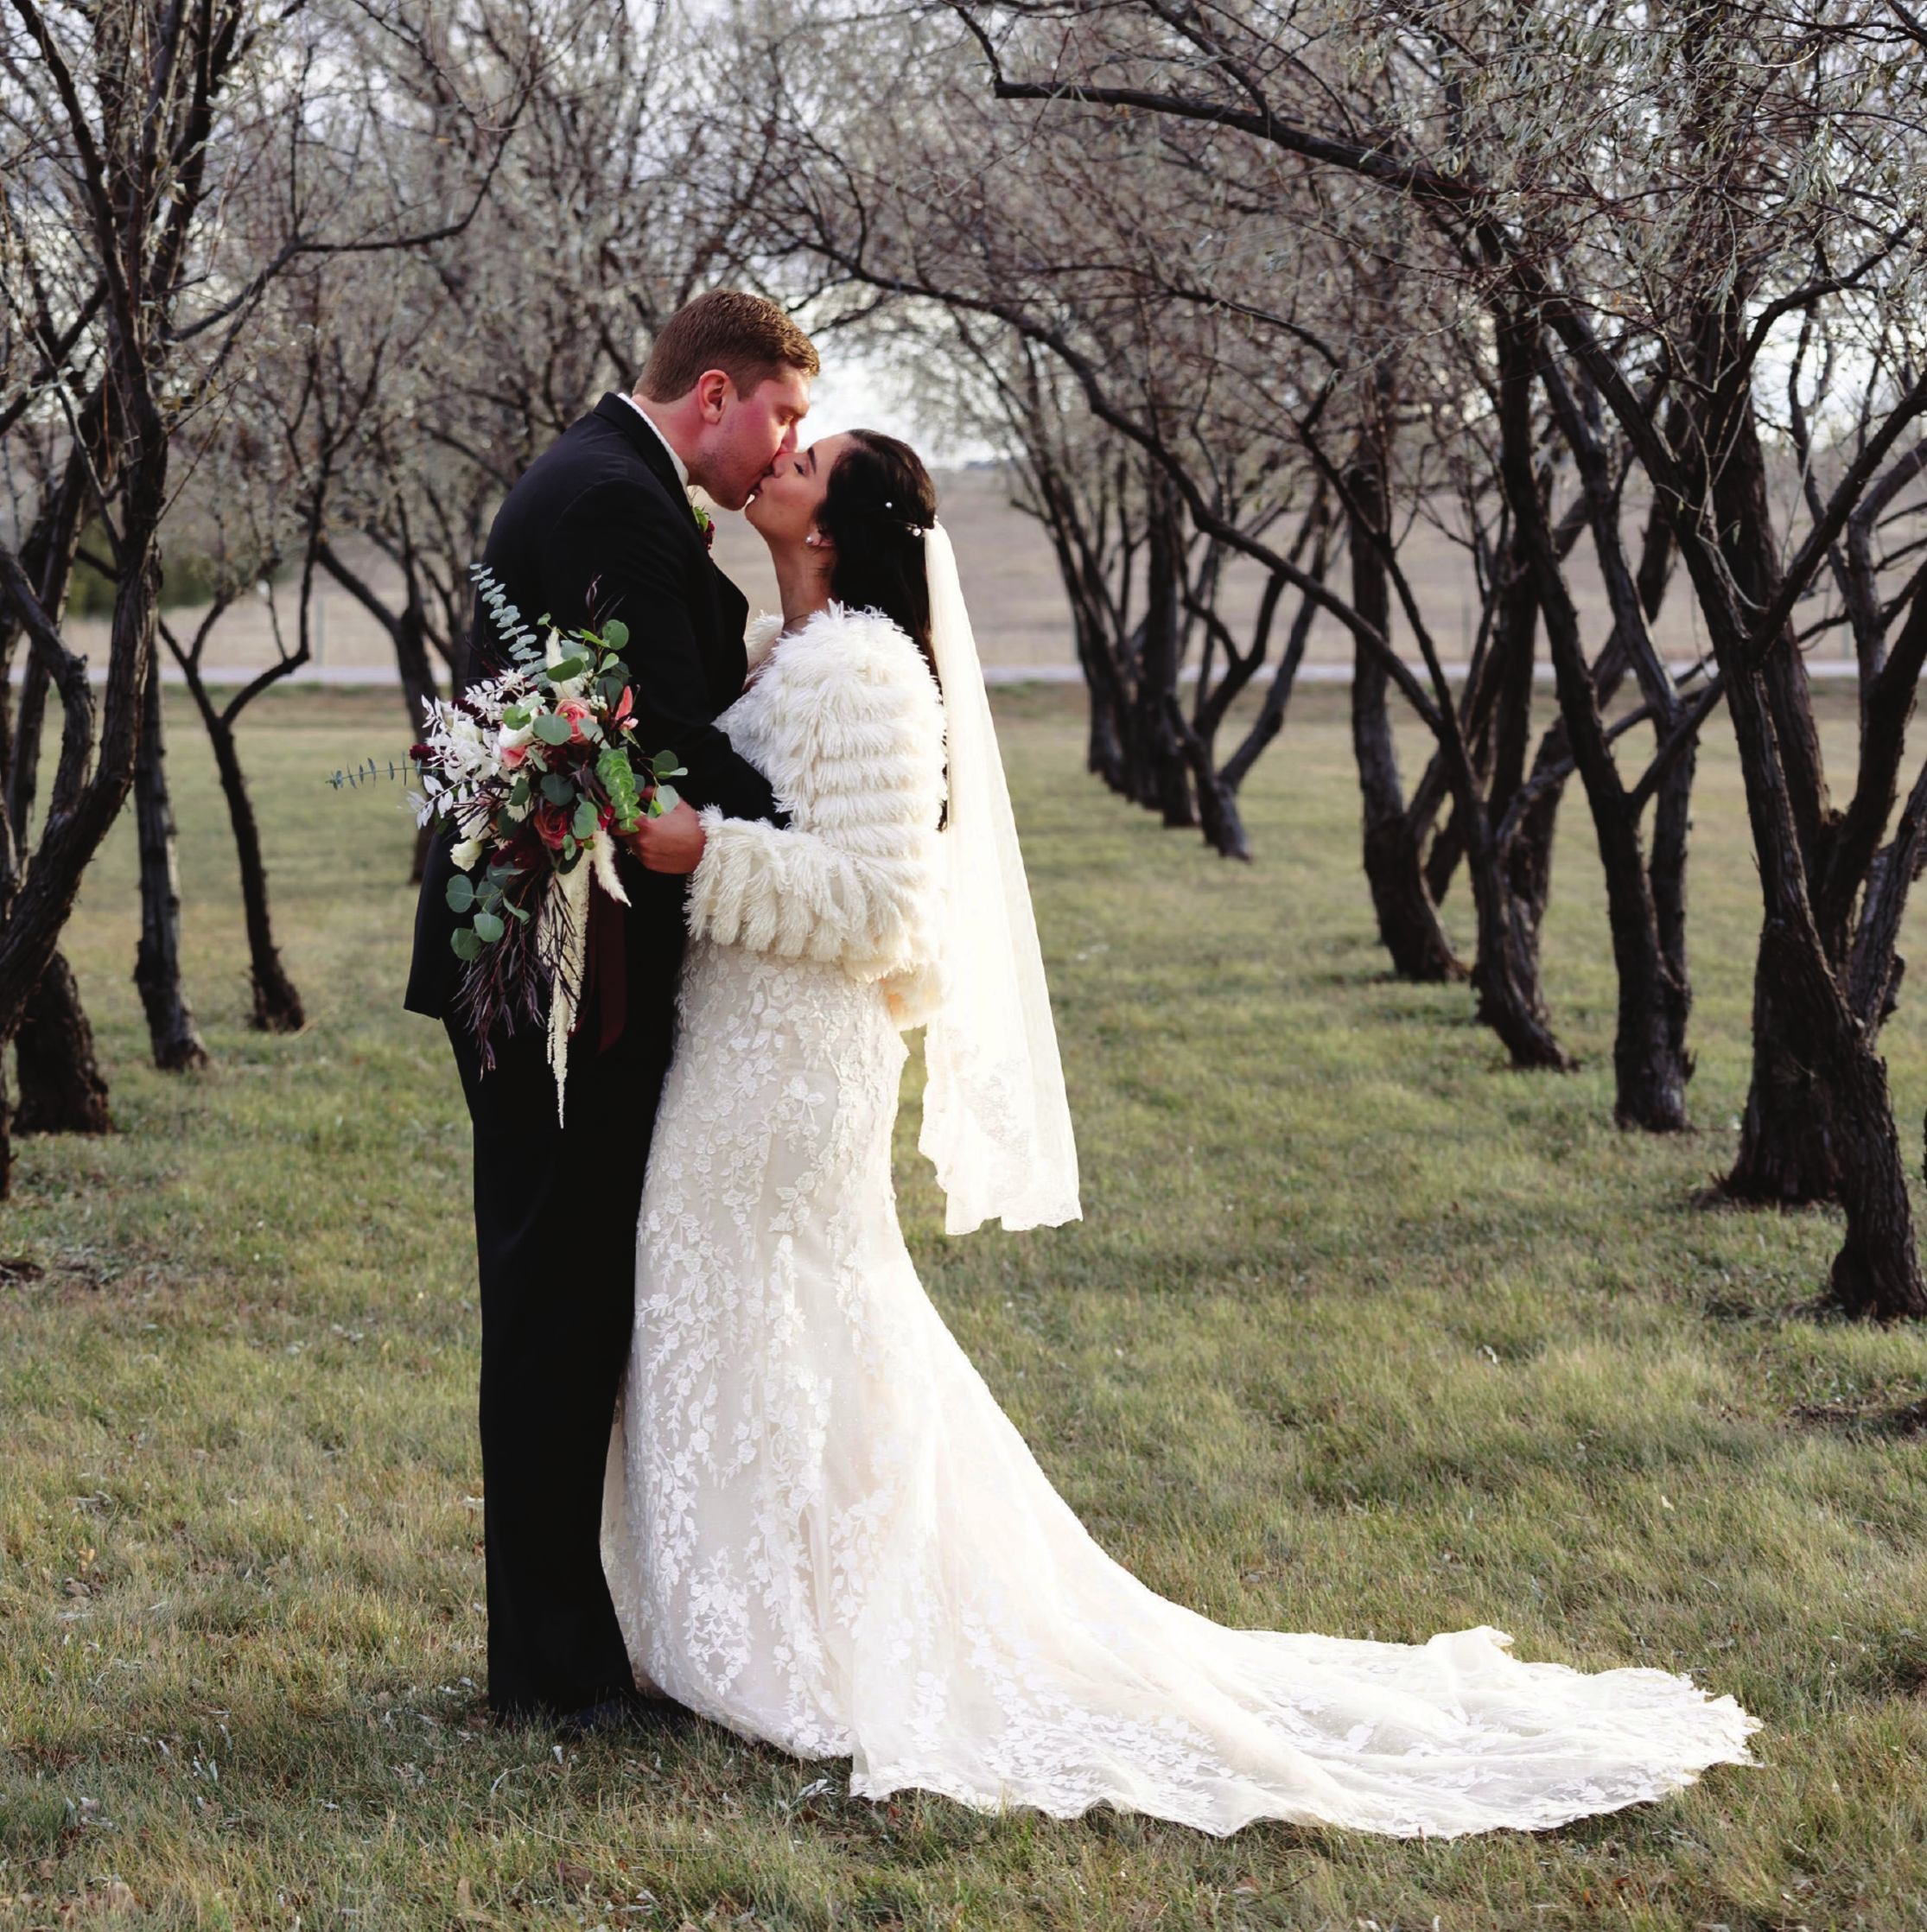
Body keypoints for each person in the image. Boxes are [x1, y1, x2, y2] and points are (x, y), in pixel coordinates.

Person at [600, 427, 1759, 1836]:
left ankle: (783, 1632)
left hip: (792, 1060)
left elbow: (885, 905)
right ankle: (759, 1607)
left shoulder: (862, 675)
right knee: (744, 1308)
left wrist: (702, 857)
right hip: (742, 1038)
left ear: (834, 525)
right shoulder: (790, 660)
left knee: (770, 1303)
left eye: (812, 455)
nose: (781, 454)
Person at [404, 291, 817, 1731]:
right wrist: (826, 826)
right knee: (552, 1308)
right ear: (716, 391)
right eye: (781, 416)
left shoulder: (612, 481)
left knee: (570, 1301)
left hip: (569, 957)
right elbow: (679, 739)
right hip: (552, 968)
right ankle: (553, 1679)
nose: (784, 449)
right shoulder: (609, 500)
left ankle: (567, 1655)